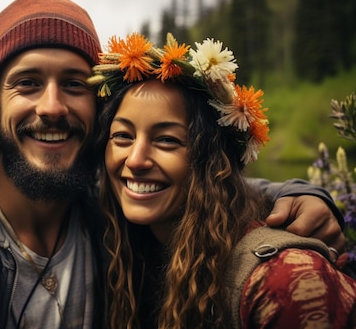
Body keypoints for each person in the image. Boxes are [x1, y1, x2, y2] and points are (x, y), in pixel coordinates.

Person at [0, 0, 346, 329]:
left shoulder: (116, 222)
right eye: (28, 83)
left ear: (96, 108)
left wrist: (304, 193)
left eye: (74, 85)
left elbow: (209, 196)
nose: (52, 106)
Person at [91, 32, 356, 329]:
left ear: (214, 164)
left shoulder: (285, 283)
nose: (136, 160)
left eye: (166, 140)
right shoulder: (123, 243)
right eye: (123, 136)